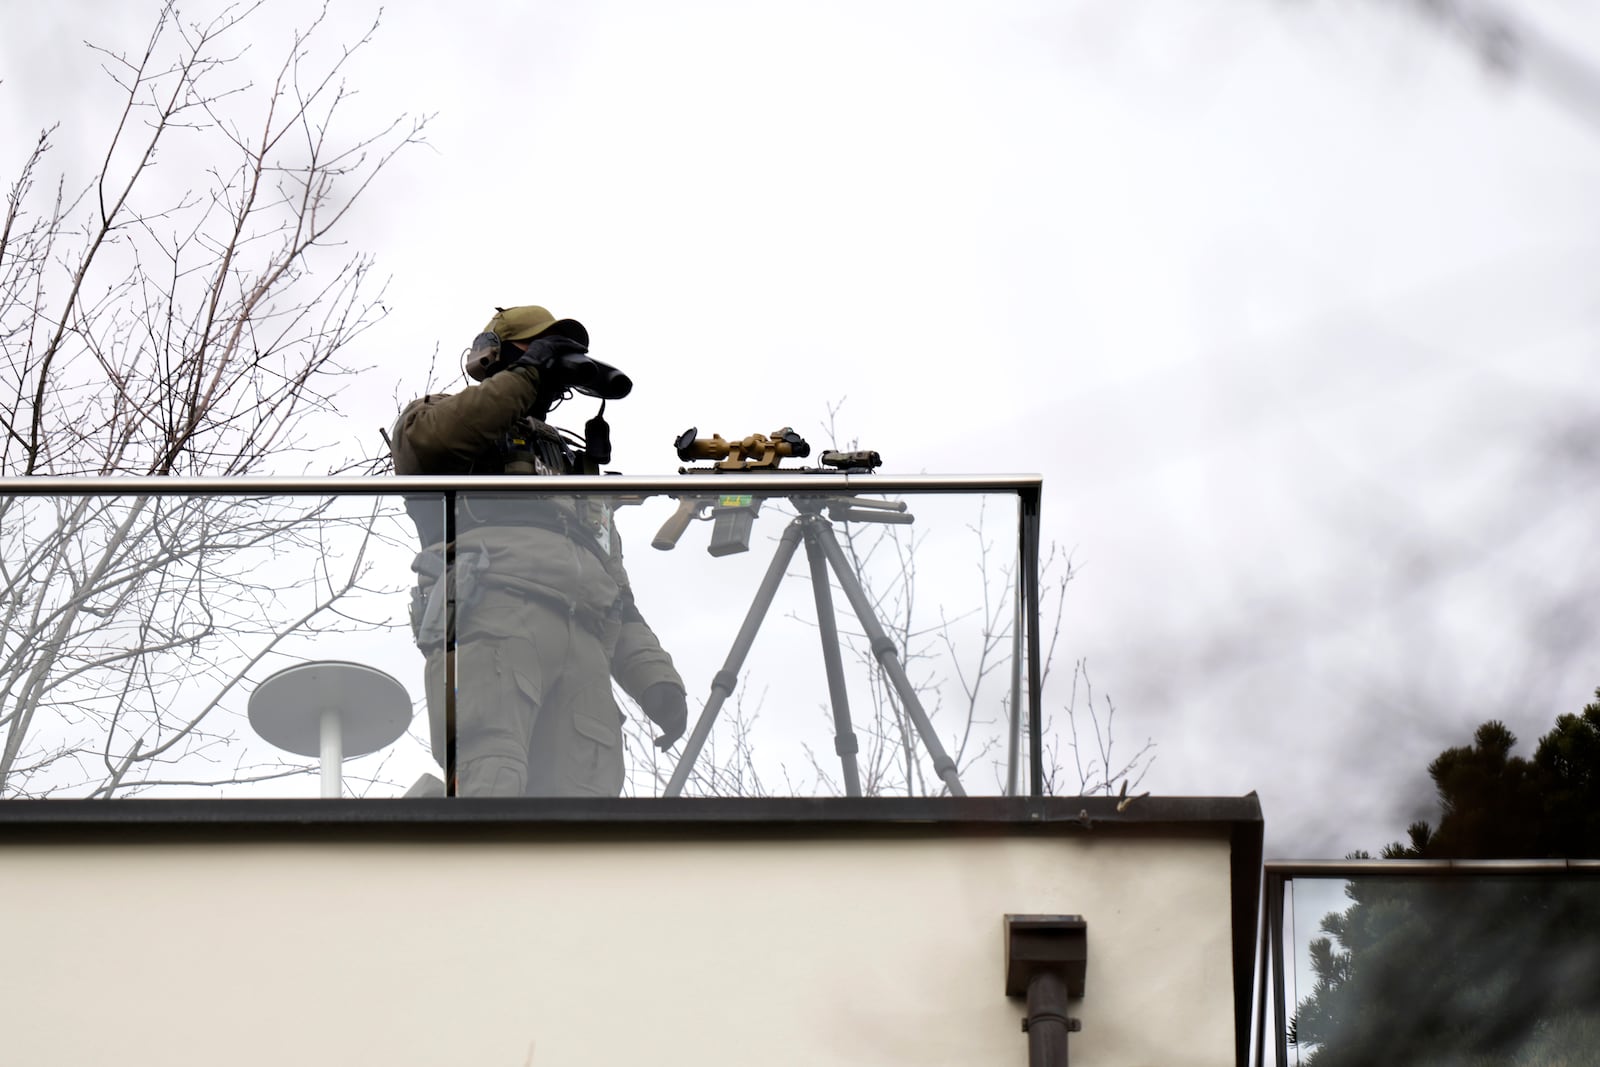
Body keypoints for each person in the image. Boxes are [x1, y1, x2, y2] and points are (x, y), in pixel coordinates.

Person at [390, 305, 688, 796]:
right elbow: (433, 441)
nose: (554, 364)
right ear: (491, 357)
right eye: (539, 348)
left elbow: (613, 582)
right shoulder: (439, 422)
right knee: (493, 775)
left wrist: (655, 677)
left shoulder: (568, 464)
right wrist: (529, 374)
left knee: (589, 804)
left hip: (588, 636)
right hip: (494, 615)